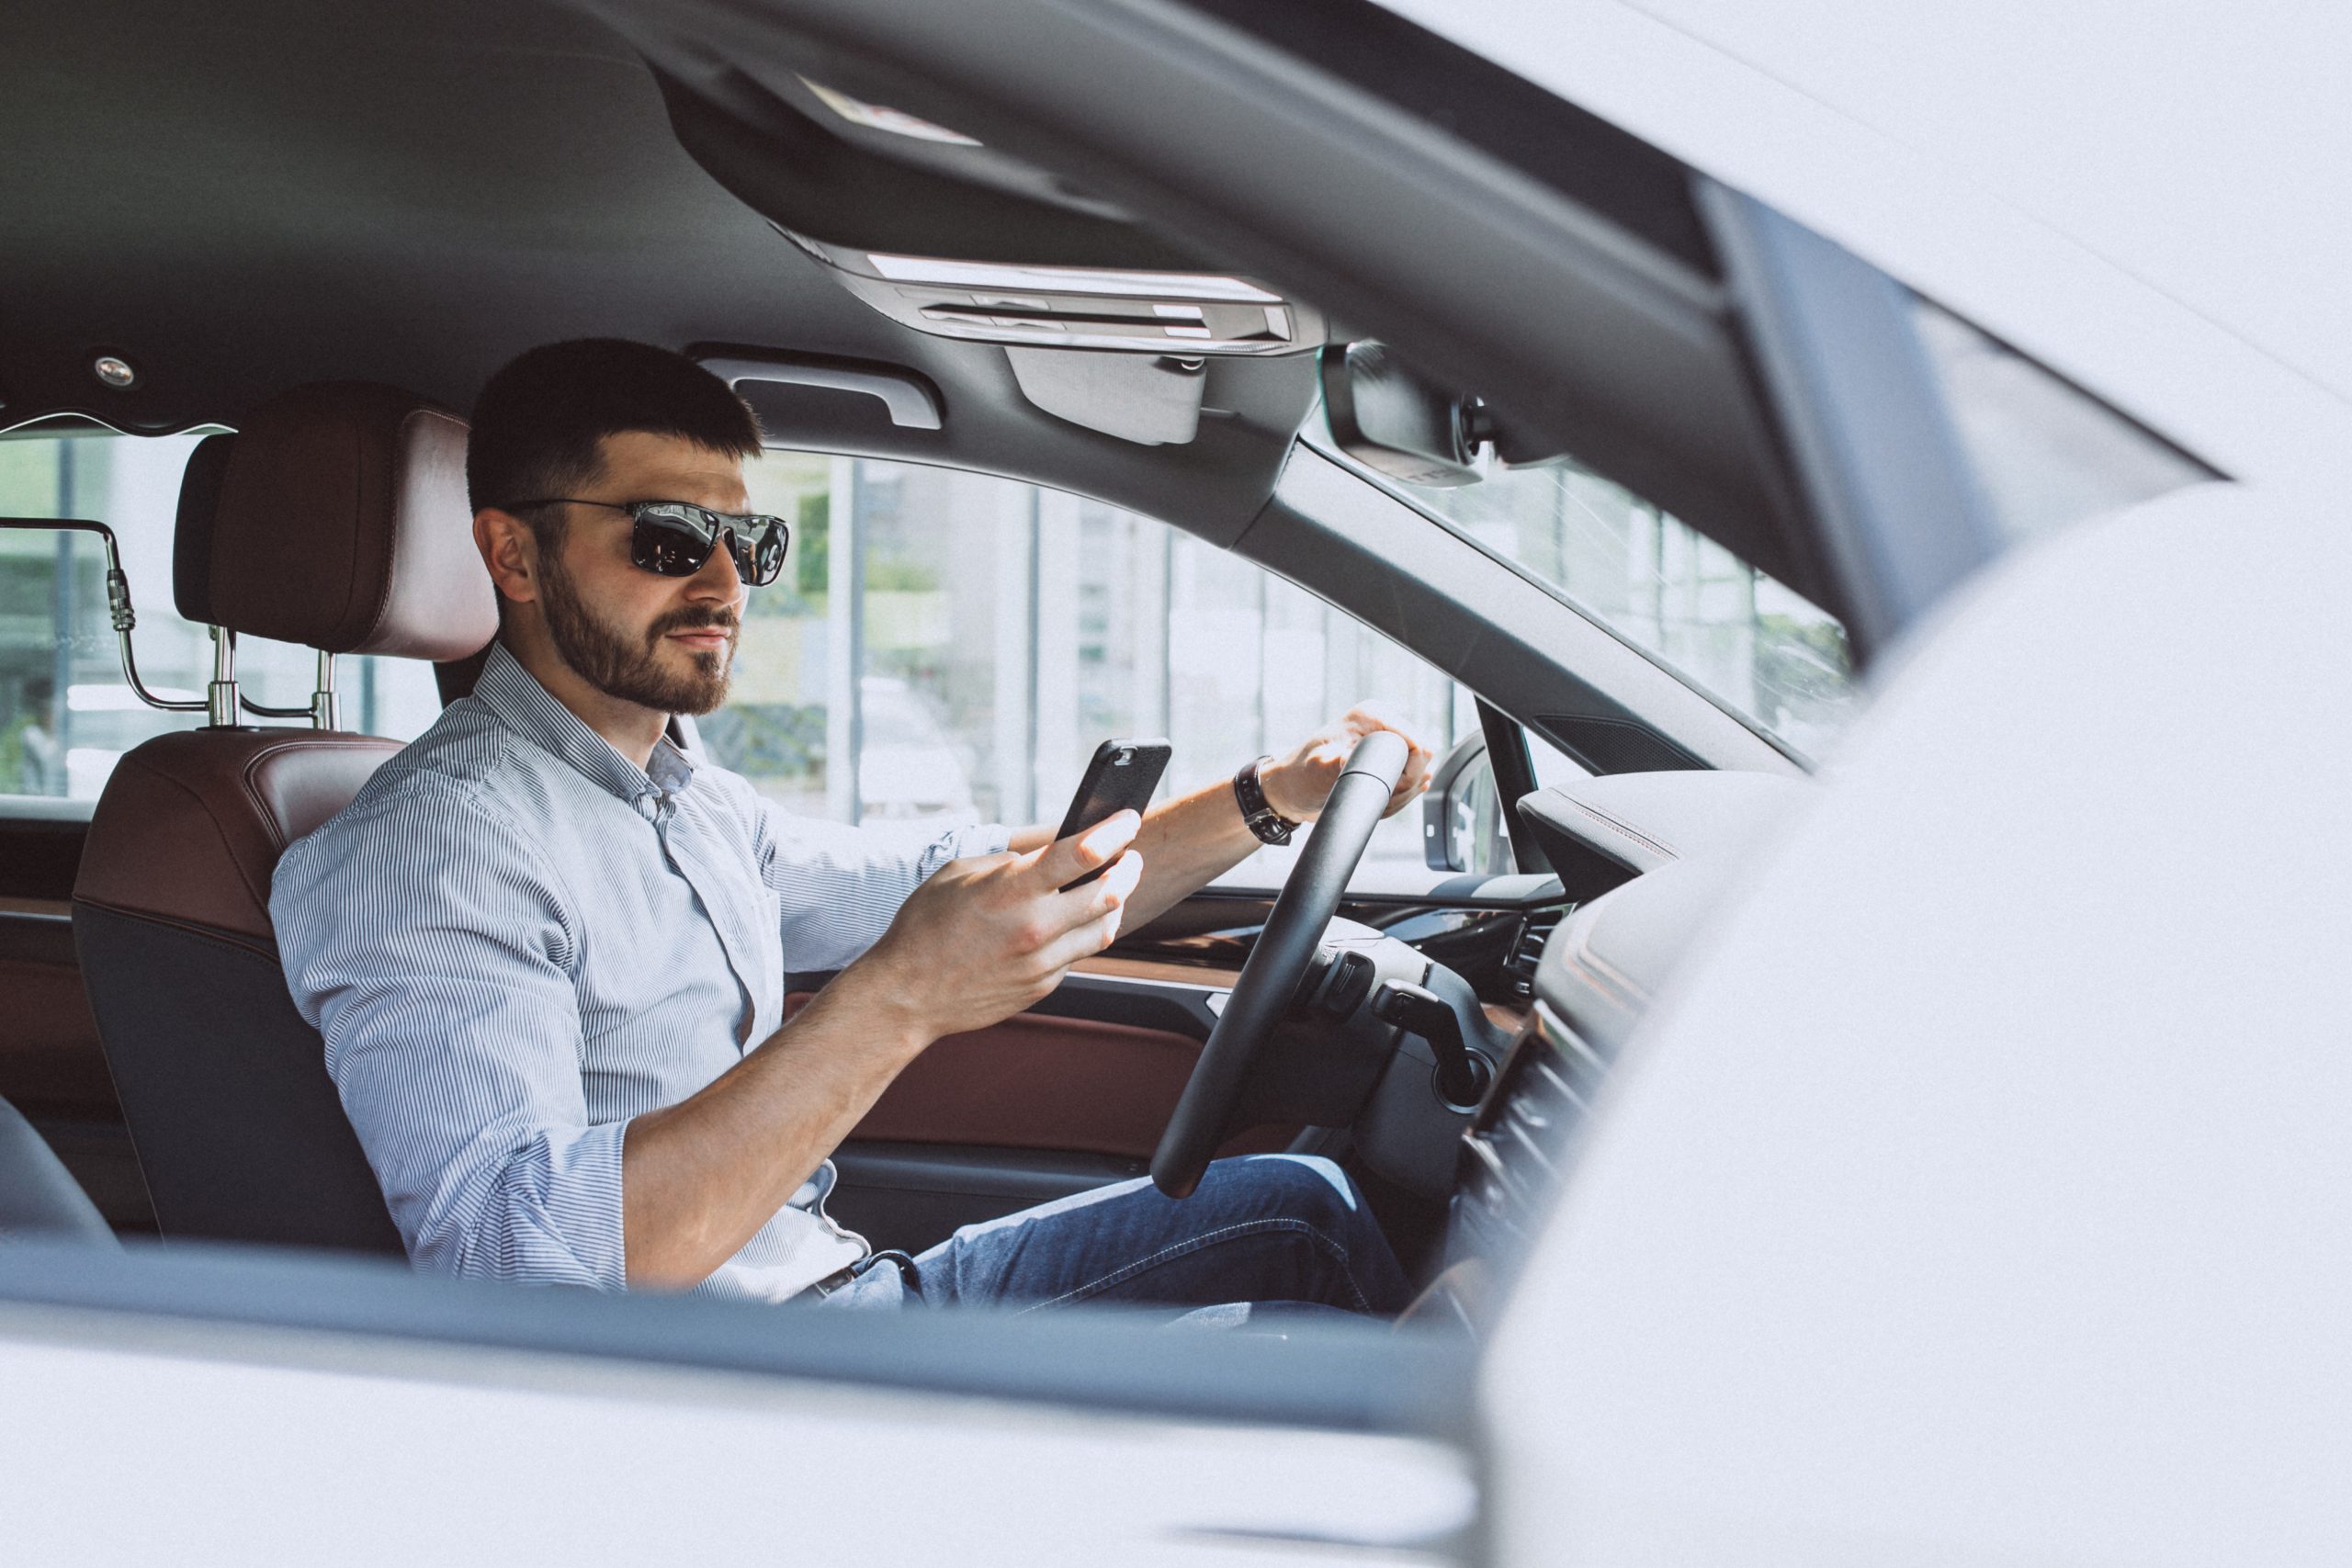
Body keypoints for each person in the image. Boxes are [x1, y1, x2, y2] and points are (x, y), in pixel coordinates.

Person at [272, 339, 1434, 1316]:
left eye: (751, 543)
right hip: (728, 1394)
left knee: (1300, 1208)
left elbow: (951, 880)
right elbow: (514, 1271)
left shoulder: (682, 795)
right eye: (669, 538)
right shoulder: (436, 847)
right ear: (511, 554)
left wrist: (1263, 801)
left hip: (848, 1301)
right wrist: (896, 1000)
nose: (726, 586)